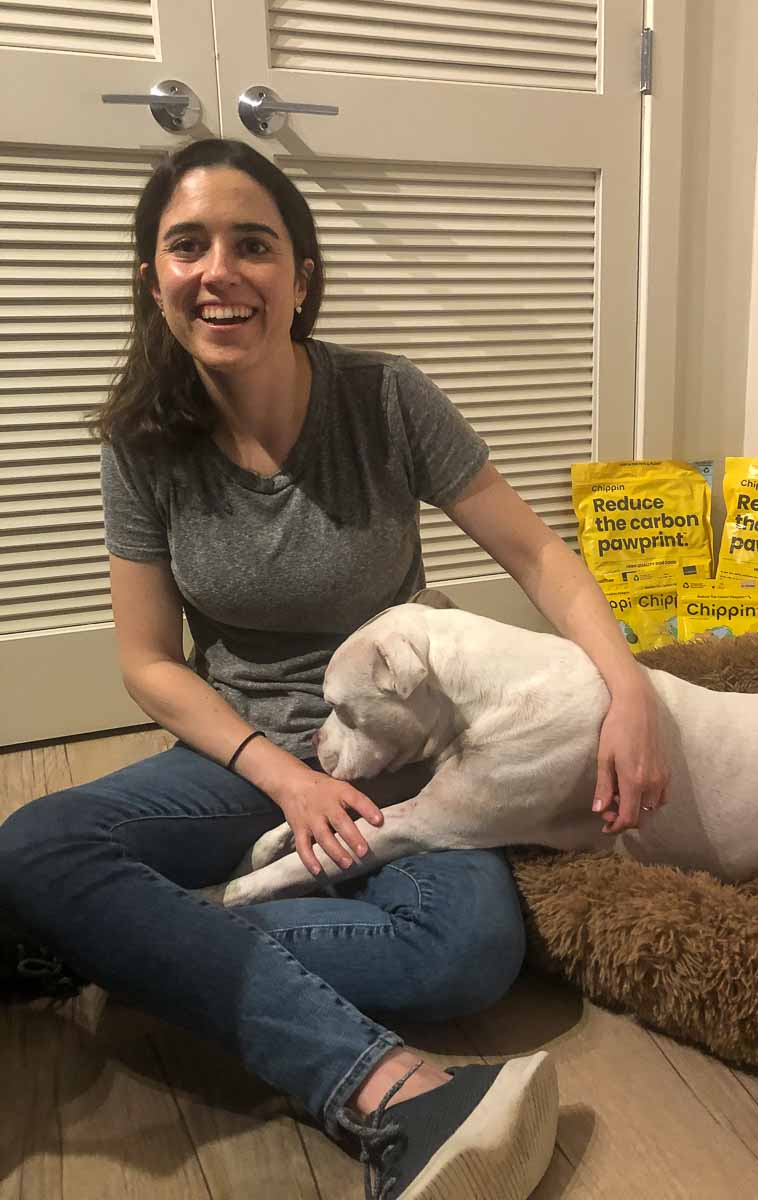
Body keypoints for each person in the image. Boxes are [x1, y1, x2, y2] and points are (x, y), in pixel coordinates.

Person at [0, 139, 666, 1200]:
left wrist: (627, 690)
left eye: (253, 245)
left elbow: (539, 554)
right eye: (187, 245)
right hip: (245, 750)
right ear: (151, 276)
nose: (220, 271)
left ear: (300, 278)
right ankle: (382, 1086)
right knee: (36, 842)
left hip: (411, 757)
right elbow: (146, 663)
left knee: (461, 954)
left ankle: (132, 941)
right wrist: (285, 775)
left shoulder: (385, 396)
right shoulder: (140, 442)